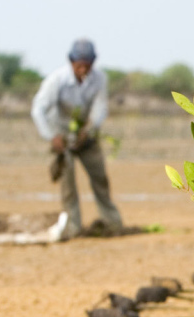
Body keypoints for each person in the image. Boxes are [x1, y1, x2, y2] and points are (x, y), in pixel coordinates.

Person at [31, 39, 122, 239]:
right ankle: (73, 227)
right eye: (79, 64)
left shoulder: (99, 79)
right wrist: (51, 136)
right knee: (67, 183)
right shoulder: (57, 80)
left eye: (87, 64)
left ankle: (112, 223)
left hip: (85, 135)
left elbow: (100, 108)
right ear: (71, 62)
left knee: (100, 177)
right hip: (61, 136)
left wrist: (89, 130)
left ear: (93, 62)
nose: (83, 69)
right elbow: (38, 109)